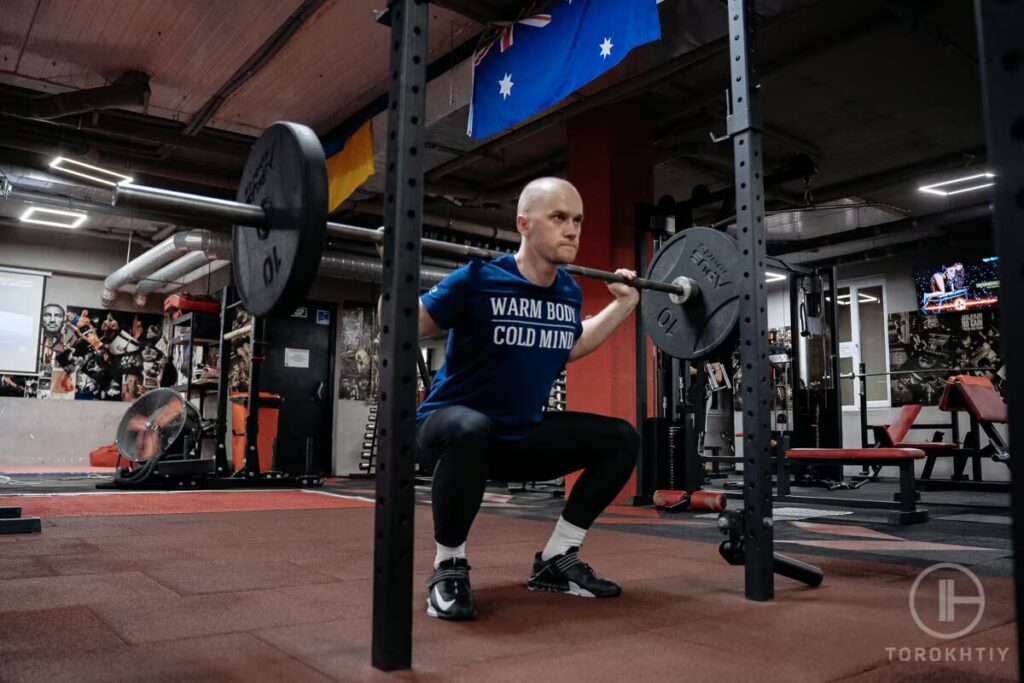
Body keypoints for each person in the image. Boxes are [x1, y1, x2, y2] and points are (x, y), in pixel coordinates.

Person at [381, 177, 641, 621]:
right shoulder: (478, 279)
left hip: (516, 436)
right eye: (559, 218)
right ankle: (449, 565)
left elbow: (571, 345)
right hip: (447, 429)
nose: (572, 230)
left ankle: (558, 560)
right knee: (471, 427)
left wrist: (624, 304)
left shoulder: (568, 291)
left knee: (620, 437)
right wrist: (394, 272)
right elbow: (399, 325)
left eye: (577, 220)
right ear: (524, 223)